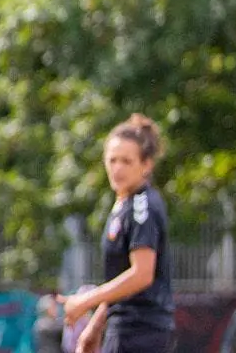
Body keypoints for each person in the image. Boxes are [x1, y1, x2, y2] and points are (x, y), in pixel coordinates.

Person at [60, 114, 174, 353]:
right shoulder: (124, 205)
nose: (117, 168)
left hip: (141, 332)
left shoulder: (142, 207)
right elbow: (121, 281)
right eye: (112, 160)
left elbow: (141, 275)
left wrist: (85, 301)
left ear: (146, 165)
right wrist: (95, 327)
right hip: (124, 329)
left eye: (126, 161)